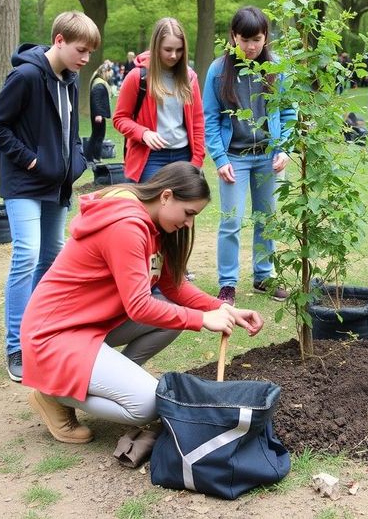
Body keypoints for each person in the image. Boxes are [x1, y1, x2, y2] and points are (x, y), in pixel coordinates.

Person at [20, 162, 264, 443]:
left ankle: (99, 381)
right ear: (166, 196)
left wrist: (221, 308)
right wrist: (201, 319)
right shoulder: (127, 227)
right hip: (54, 335)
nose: (189, 223)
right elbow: (139, 306)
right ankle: (53, 394)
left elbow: (174, 287)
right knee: (147, 405)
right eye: (188, 213)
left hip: (87, 326)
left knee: (171, 322)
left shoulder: (154, 226)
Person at [0, 11, 101, 383]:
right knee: (27, 254)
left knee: (52, 256)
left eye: (89, 53)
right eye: (81, 50)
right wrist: (30, 160)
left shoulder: (70, 77)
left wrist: (77, 159)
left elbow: (70, 129)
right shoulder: (26, 76)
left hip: (59, 185)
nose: (85, 59)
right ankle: (15, 345)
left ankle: (39, 333)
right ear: (59, 41)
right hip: (25, 184)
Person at [203, 6, 295, 306]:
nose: (251, 47)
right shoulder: (218, 71)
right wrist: (220, 159)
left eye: (256, 39)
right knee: (231, 221)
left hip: (268, 157)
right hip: (235, 158)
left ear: (265, 37)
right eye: (245, 40)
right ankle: (227, 284)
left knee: (267, 218)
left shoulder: (276, 68)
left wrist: (285, 149)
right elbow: (210, 118)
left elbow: (288, 111)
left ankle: (263, 275)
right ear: (234, 37)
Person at [113, 17, 204, 183]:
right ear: (156, 47)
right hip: (149, 157)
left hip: (183, 155)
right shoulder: (137, 77)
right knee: (153, 206)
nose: (174, 55)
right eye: (167, 49)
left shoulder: (190, 77)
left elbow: (197, 122)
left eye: (179, 50)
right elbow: (120, 119)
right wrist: (143, 133)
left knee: (181, 207)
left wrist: (196, 162)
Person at [85, 63, 113, 165]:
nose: (110, 74)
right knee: (97, 136)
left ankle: (94, 156)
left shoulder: (98, 82)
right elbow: (96, 100)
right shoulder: (99, 84)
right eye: (109, 72)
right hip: (98, 115)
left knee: (97, 135)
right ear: (105, 72)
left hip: (99, 114)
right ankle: (92, 157)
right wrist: (98, 114)